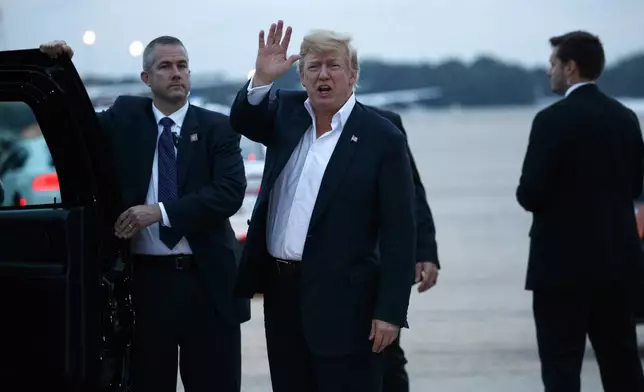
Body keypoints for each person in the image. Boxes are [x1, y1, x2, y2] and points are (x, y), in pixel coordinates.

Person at [40, 36, 248, 392]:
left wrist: (159, 212)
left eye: (182, 65)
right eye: (165, 67)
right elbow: (71, 126)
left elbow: (228, 194)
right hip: (146, 286)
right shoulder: (124, 118)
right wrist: (60, 66)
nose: (176, 73)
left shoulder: (218, 128)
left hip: (208, 284)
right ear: (146, 78)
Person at [230, 20, 417, 392]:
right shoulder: (286, 112)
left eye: (333, 66)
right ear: (301, 76)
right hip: (281, 294)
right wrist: (262, 78)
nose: (323, 75)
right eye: (314, 67)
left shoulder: (383, 137)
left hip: (348, 303)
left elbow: (400, 232)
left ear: (353, 75)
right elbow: (243, 119)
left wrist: (390, 313)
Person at [516, 30, 644, 392]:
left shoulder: (551, 121)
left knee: (561, 369)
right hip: (618, 263)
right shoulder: (625, 118)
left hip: (561, 267)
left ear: (570, 68)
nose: (548, 72)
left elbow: (530, 194)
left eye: (553, 64)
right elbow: (636, 186)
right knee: (623, 366)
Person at [367, 106, 440, 392]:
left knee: (386, 354)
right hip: (311, 268)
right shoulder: (299, 120)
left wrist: (425, 250)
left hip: (376, 263)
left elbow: (412, 191)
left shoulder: (386, 122)